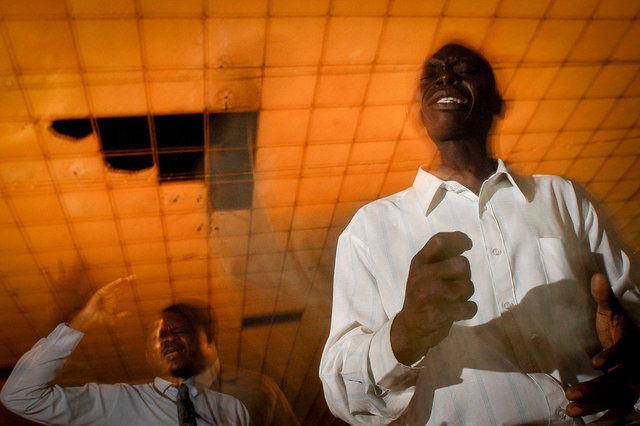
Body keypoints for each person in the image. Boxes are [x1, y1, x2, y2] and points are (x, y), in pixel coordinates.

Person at [319, 43, 640, 425]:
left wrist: (633, 375)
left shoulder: (563, 197)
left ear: (498, 102)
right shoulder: (370, 228)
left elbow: (629, 316)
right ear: (418, 113)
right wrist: (405, 334)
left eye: (465, 69)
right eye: (432, 75)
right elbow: (343, 395)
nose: (446, 76)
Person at [0, 276, 250, 425]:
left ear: (202, 342)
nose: (169, 338)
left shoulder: (233, 410)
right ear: (147, 354)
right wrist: (84, 318)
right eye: (160, 334)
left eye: (179, 330)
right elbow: (20, 396)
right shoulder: (117, 401)